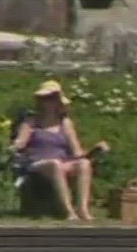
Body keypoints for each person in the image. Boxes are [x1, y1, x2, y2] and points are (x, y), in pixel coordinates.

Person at [11, 81, 99, 220]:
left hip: (63, 162)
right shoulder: (32, 121)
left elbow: (77, 152)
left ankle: (83, 209)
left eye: (52, 98)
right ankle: (68, 211)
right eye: (46, 98)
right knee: (54, 164)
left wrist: (96, 150)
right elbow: (20, 144)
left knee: (84, 164)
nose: (48, 102)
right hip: (38, 163)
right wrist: (16, 145)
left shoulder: (65, 123)